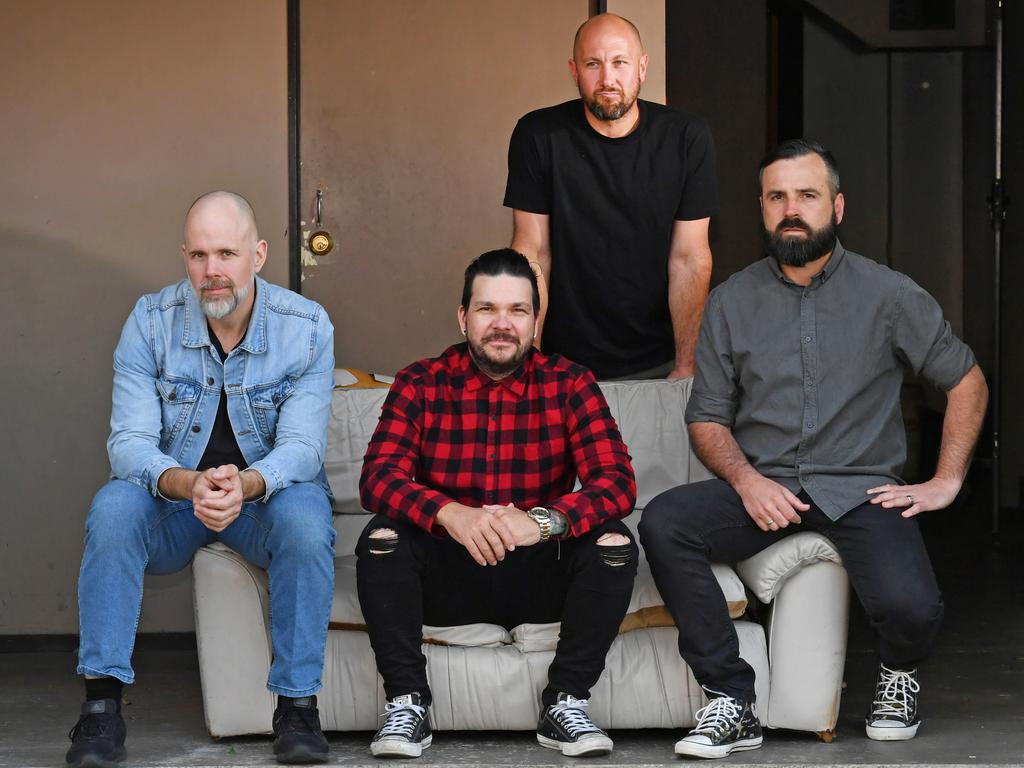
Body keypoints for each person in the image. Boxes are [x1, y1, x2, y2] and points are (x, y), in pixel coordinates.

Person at [639, 140, 988, 758]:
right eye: (777, 197)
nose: (791, 209)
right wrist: (746, 481)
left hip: (861, 488)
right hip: (766, 486)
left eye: (807, 195)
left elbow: (965, 380)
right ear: (762, 208)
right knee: (666, 522)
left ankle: (897, 673)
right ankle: (730, 698)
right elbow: (708, 418)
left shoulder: (890, 295)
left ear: (838, 206)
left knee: (912, 606)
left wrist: (947, 480)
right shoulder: (731, 301)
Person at [66, 192, 337, 767]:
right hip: (176, 500)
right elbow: (129, 445)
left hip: (263, 500)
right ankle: (100, 712)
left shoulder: (306, 326)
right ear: (183, 257)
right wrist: (189, 484)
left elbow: (303, 450)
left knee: (308, 519)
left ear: (258, 255)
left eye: (226, 253)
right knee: (113, 509)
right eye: (197, 256)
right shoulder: (150, 321)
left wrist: (248, 483)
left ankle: (297, 708)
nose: (212, 271)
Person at [356, 248, 638, 759]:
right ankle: (407, 703)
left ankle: (565, 702)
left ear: (535, 322)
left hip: (539, 572)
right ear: (463, 318)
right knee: (380, 536)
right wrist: (451, 514)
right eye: (487, 309)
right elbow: (377, 478)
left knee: (615, 539)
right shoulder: (420, 382)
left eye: (517, 311)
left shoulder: (569, 382)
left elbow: (617, 482)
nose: (502, 324)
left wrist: (545, 521)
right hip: (448, 574)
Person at [504, 12, 717, 380]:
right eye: (593, 64)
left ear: (642, 67)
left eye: (620, 62)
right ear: (574, 70)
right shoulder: (538, 135)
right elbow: (532, 252)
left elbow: (689, 258)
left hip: (660, 360)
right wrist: (529, 360)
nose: (607, 79)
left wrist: (687, 365)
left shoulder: (686, 138)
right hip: (561, 364)